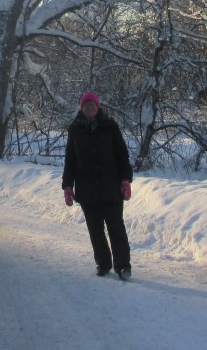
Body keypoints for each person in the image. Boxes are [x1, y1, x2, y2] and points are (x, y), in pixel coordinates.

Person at [61, 90, 133, 279]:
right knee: (95, 229)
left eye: (92, 105)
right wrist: (67, 185)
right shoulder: (75, 129)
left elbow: (122, 154)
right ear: (82, 108)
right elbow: (70, 159)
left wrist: (126, 179)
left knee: (116, 227)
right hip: (86, 189)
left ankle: (123, 266)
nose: (90, 108)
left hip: (111, 187)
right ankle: (103, 263)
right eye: (86, 105)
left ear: (98, 106)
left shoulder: (110, 126)